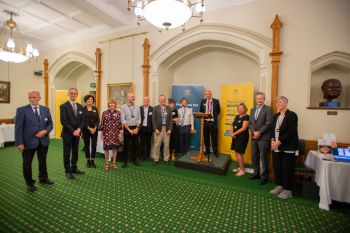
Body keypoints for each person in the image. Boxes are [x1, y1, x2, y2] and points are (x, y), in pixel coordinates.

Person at [15, 91, 54, 192]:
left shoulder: (46, 109)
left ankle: (43, 177)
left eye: (34, 97)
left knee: (43, 161)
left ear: (39, 98)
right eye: (30, 97)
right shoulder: (22, 110)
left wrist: (45, 131)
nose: (32, 99)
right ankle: (29, 183)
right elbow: (18, 128)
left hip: (43, 141)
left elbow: (50, 123)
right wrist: (19, 143)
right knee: (27, 163)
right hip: (28, 142)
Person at [270, 96, 299, 200]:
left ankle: (287, 189)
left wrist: (279, 141)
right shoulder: (276, 116)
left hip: (288, 146)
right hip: (276, 146)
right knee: (277, 166)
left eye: (280, 102)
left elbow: (291, 132)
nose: (278, 104)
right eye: (277, 102)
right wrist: (273, 140)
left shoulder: (292, 115)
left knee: (287, 168)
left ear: (286, 103)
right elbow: (272, 130)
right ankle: (279, 186)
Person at [248, 92, 273, 185]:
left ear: (264, 99)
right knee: (254, 156)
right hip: (254, 137)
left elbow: (269, 123)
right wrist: (254, 132)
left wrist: (259, 132)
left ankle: (264, 176)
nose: (259, 100)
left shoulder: (268, 109)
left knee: (263, 158)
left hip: (264, 137)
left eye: (261, 98)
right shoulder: (252, 109)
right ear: (256, 99)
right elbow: (250, 123)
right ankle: (256, 173)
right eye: (257, 98)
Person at [60, 87, 85, 179]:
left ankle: (74, 168)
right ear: (68, 94)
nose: (73, 95)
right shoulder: (64, 106)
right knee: (67, 153)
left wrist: (79, 130)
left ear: (77, 95)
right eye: (71, 93)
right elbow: (63, 121)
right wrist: (73, 131)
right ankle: (68, 171)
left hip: (77, 134)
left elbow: (82, 120)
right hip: (67, 134)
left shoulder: (80, 106)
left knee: (75, 152)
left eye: (75, 93)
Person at [100, 99, 122, 171]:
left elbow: (120, 124)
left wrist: (120, 133)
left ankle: (114, 162)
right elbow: (102, 123)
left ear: (115, 105)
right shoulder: (104, 113)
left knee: (115, 148)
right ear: (108, 104)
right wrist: (101, 133)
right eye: (110, 103)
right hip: (107, 133)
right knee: (106, 149)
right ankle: (107, 163)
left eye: (113, 103)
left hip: (115, 133)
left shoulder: (118, 113)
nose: (112, 105)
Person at [121, 93, 141, 168]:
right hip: (127, 128)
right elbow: (123, 120)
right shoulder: (123, 107)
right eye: (132, 97)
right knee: (126, 146)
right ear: (128, 98)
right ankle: (125, 162)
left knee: (135, 145)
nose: (133, 98)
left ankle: (135, 160)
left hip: (135, 128)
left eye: (134, 97)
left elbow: (139, 119)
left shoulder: (137, 107)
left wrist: (137, 128)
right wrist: (129, 130)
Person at [152, 95, 172, 165]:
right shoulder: (155, 108)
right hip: (158, 129)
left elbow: (170, 120)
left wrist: (170, 129)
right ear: (159, 100)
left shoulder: (169, 108)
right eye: (161, 99)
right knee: (157, 145)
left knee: (166, 145)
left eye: (164, 99)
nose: (163, 100)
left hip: (166, 129)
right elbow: (153, 120)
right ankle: (156, 159)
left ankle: (166, 159)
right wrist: (155, 129)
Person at [200, 89, 220, 157]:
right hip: (205, 123)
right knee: (206, 137)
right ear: (205, 95)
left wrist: (212, 117)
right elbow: (201, 111)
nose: (207, 95)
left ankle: (215, 151)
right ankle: (207, 150)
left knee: (214, 138)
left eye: (209, 94)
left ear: (211, 94)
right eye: (206, 94)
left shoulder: (216, 101)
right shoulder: (203, 101)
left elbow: (218, 111)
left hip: (213, 123)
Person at [231, 103, 249, 177]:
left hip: (242, 137)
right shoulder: (237, 116)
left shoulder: (246, 117)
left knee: (239, 153)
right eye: (238, 108)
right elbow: (232, 125)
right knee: (236, 152)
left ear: (245, 109)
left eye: (241, 108)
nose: (240, 109)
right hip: (235, 137)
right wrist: (232, 133)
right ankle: (240, 167)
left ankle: (242, 171)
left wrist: (234, 133)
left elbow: (244, 128)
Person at [82, 95, 99, 168]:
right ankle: (88, 161)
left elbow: (97, 120)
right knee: (87, 145)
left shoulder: (95, 108)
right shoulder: (83, 109)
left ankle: (92, 161)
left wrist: (95, 128)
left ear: (93, 101)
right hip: (86, 130)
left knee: (93, 145)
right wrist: (89, 128)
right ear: (86, 100)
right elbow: (82, 120)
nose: (90, 100)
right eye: (88, 99)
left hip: (94, 130)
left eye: (91, 99)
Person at [140, 96, 153, 161]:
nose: (146, 101)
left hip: (149, 128)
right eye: (144, 100)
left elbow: (153, 120)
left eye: (147, 100)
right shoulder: (140, 108)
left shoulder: (152, 109)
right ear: (143, 101)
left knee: (148, 143)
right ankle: (142, 156)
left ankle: (147, 156)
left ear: (148, 101)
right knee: (142, 143)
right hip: (141, 128)